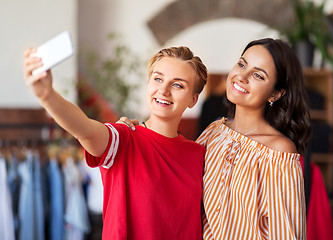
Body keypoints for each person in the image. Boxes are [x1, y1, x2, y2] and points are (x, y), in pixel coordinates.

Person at [120, 38, 312, 239]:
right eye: (241, 64)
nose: (241, 76)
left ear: (276, 94)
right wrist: (138, 132)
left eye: (257, 75)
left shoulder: (278, 152)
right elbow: (174, 177)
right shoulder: (214, 132)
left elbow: (287, 233)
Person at [23, 46, 208, 239]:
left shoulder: (198, 154)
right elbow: (85, 130)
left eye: (177, 85)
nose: (163, 90)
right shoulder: (124, 139)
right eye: (158, 79)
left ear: (193, 99)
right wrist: (48, 96)